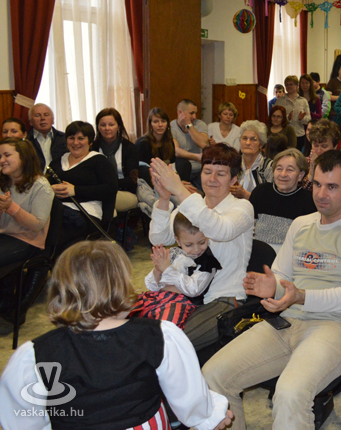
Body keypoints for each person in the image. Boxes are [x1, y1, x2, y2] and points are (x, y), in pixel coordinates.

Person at [203, 150, 341, 430]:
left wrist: (300, 296)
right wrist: (272, 287)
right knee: (213, 376)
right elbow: (282, 275)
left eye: (332, 187)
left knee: (289, 393)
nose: (321, 194)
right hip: (287, 321)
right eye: (317, 184)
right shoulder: (301, 224)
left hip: (337, 327)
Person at [0, 241, 233, 430]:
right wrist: (210, 416)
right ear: (122, 286)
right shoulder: (160, 335)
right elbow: (188, 396)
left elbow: (22, 419)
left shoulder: (33, 355)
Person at [149, 144, 254, 350]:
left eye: (220, 174)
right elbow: (159, 238)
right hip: (185, 295)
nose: (212, 179)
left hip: (224, 298)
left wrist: (179, 190)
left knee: (170, 345)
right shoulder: (191, 207)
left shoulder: (242, 208)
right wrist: (163, 198)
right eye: (207, 171)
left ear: (234, 179)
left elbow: (220, 230)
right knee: (143, 331)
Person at [0, 138, 54, 318]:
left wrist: (10, 207)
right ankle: (6, 304)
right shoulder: (3, 182)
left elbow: (37, 224)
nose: (2, 160)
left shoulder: (41, 186)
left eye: (7, 155)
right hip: (5, 236)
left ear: (23, 157)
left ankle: (10, 306)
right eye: (0, 156)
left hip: (27, 240)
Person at [51, 121, 118, 246]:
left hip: (86, 213)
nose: (75, 143)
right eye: (71, 138)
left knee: (54, 231)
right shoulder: (56, 163)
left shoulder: (99, 161)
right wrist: (51, 189)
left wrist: (75, 190)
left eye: (81, 138)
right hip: (57, 211)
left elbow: (110, 189)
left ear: (90, 142)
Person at [144, 213, 221, 309]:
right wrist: (158, 270)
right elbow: (151, 286)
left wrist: (167, 270)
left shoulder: (208, 263)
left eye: (202, 242)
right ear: (178, 240)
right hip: (162, 301)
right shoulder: (174, 254)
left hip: (186, 307)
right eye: (189, 245)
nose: (196, 249)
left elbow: (193, 290)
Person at [250, 148, 316, 253]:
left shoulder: (309, 201)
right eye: (279, 169)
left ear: (300, 175)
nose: (283, 174)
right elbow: (248, 229)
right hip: (257, 255)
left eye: (290, 170)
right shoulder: (260, 192)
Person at [93, 108, 139, 216]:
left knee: (104, 202)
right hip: (98, 192)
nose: (107, 128)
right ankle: (112, 225)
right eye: (103, 125)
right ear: (98, 127)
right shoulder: (92, 147)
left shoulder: (129, 148)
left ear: (118, 126)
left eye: (111, 125)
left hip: (124, 192)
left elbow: (132, 180)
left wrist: (108, 186)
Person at [136, 107, 191, 188]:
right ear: (150, 124)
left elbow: (172, 163)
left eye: (163, 121)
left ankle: (182, 187)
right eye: (156, 122)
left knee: (184, 163)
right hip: (150, 177)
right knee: (145, 170)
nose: (160, 125)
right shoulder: (142, 143)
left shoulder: (169, 141)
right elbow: (143, 168)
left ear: (167, 124)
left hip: (166, 173)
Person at [172, 99, 210, 186]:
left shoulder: (200, 124)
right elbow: (176, 151)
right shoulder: (171, 126)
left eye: (195, 113)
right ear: (180, 113)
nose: (194, 117)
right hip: (181, 171)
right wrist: (196, 157)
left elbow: (203, 144)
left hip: (199, 170)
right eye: (191, 113)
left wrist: (188, 125)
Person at [230, 120, 271, 200]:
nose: (248, 143)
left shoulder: (269, 167)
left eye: (253, 139)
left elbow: (271, 200)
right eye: (244, 138)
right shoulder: (232, 163)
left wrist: (246, 195)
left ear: (261, 145)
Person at [275, 75, 311, 150]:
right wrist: (287, 118)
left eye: (291, 84)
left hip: (299, 135)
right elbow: (275, 118)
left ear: (297, 85)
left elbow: (308, 119)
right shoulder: (280, 101)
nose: (289, 86)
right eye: (287, 85)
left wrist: (301, 119)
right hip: (284, 135)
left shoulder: (303, 101)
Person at [28, 103, 67, 171]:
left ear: (53, 120)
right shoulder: (26, 140)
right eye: (38, 115)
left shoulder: (64, 138)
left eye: (46, 115)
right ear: (30, 122)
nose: (43, 118)